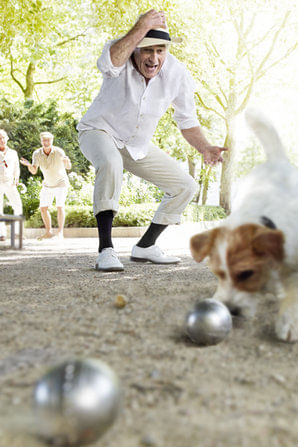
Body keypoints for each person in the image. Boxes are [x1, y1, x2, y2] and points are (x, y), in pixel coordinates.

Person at [77, 9, 227, 272]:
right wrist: (141, 26)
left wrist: (205, 147)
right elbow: (108, 64)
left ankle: (146, 246)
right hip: (98, 131)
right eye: (147, 49)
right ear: (136, 47)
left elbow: (187, 120)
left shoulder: (177, 73)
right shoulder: (120, 54)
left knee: (185, 186)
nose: (154, 58)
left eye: (160, 50)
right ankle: (106, 250)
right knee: (110, 162)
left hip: (136, 144)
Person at [20, 131, 71, 239]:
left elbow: (68, 167)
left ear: (52, 141)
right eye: (44, 140)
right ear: (41, 141)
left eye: (48, 140)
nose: (46, 142)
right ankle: (48, 232)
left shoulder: (58, 152)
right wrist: (29, 165)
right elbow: (34, 171)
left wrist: (67, 162)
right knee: (43, 208)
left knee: (60, 206)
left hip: (61, 183)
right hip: (47, 184)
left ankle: (60, 233)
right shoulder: (37, 153)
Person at [0, 129, 23, 241]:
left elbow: (16, 168)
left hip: (10, 183)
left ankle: (17, 233)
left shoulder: (13, 153)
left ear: (7, 138)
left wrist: (16, 178)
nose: (2, 140)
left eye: (3, 137)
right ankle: (1, 234)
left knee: (17, 205)